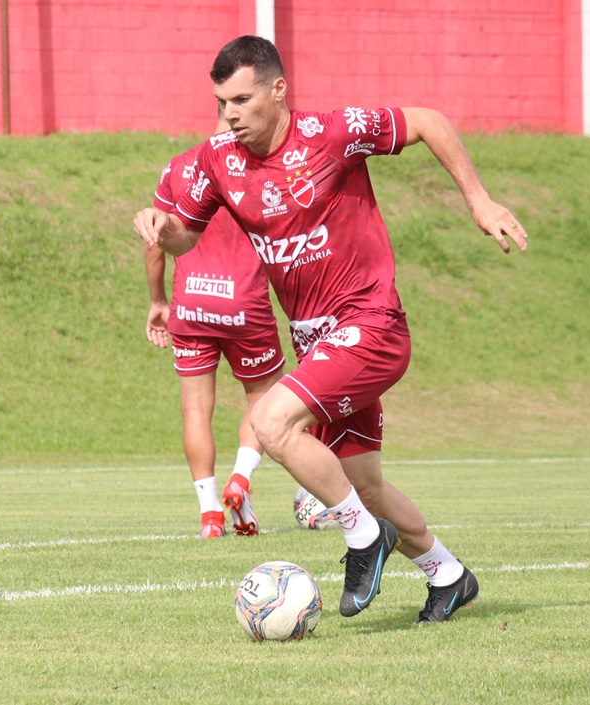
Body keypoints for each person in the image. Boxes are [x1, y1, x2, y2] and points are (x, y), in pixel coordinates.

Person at [134, 36, 527, 623]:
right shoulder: (220, 160)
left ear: (278, 89)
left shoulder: (332, 133)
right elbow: (185, 236)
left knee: (270, 422)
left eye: (241, 99)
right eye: (221, 102)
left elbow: (428, 121)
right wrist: (160, 231)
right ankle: (448, 576)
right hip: (317, 339)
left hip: (371, 323)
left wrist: (480, 201)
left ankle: (364, 539)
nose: (230, 114)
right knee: (361, 480)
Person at [146, 110, 286, 539]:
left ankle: (209, 515)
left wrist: (157, 301)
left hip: (192, 304)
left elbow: (156, 241)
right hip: (245, 303)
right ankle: (241, 479)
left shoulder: (180, 165)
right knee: (264, 402)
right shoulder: (261, 168)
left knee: (194, 409)